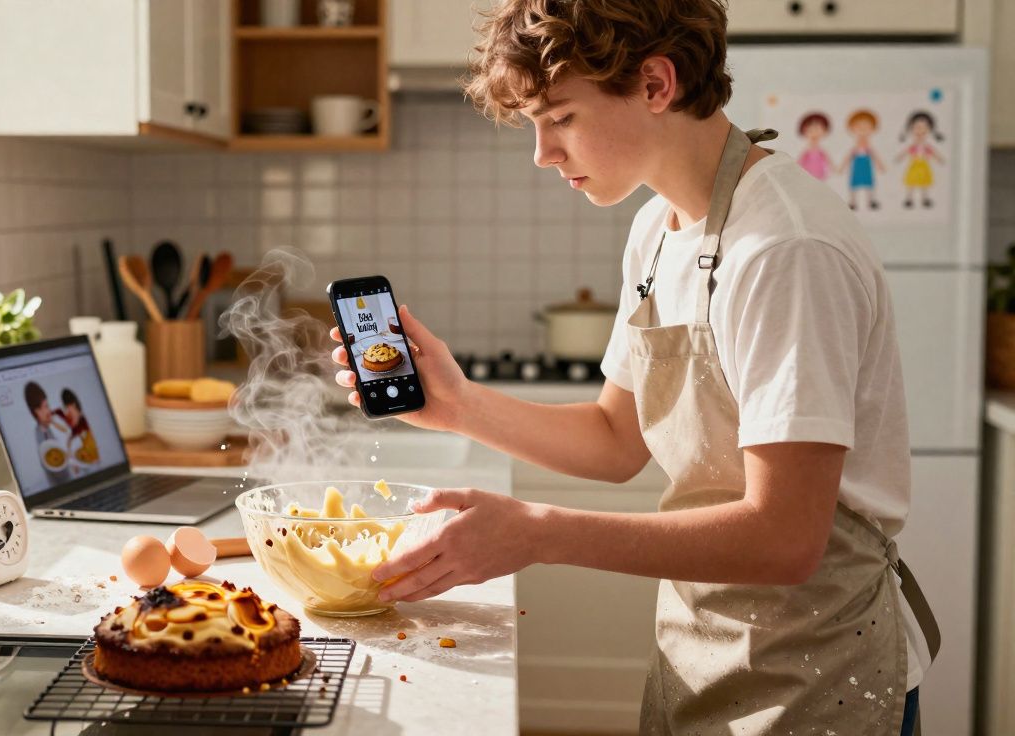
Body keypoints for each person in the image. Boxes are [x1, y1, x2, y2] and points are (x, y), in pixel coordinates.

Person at [328, 1, 939, 733]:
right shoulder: (657, 228)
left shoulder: (785, 250)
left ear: (655, 84)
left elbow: (785, 539)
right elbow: (618, 439)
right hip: (698, 653)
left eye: (561, 117)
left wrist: (538, 532)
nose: (542, 153)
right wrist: (458, 404)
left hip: (820, 675)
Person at [25, 381, 70, 484]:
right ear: (36, 411)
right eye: (45, 407)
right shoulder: (39, 437)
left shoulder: (49, 428)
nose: (49, 411)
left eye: (48, 406)